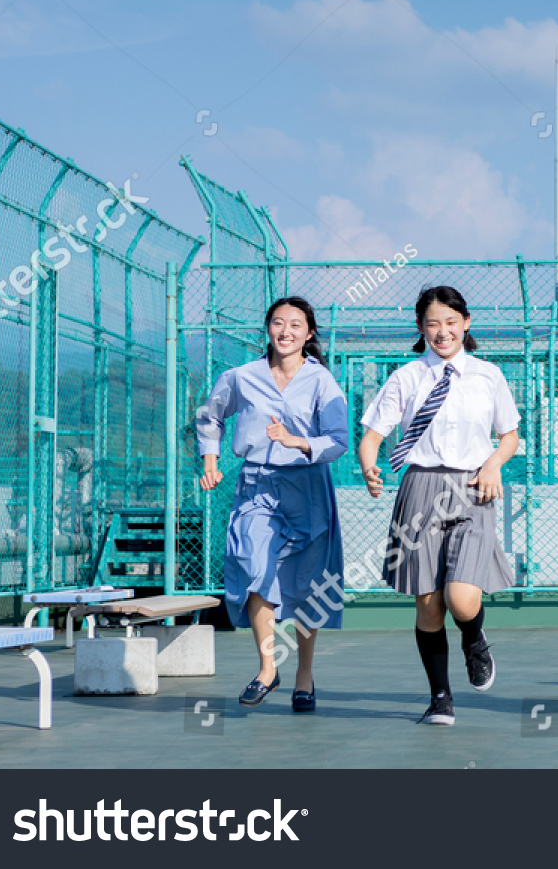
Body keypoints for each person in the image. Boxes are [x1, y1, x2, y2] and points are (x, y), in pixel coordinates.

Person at [356, 285, 520, 726]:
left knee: (461, 598)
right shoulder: (406, 378)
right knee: (428, 603)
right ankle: (440, 698)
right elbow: (371, 435)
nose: (442, 332)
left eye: (451, 322)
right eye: (433, 324)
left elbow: (509, 436)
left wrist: (494, 465)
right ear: (420, 329)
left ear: (466, 324)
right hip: (420, 488)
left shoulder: (488, 375)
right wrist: (370, 466)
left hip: (472, 487)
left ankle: (474, 638)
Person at [196, 296, 348, 713]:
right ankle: (267, 669)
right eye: (278, 323)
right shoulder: (241, 377)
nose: (286, 332)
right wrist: (211, 461)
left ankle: (304, 675)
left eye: (296, 325)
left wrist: (299, 441)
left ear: (309, 333)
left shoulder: (322, 382)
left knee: (305, 584)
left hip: (307, 488)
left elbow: (338, 440)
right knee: (254, 569)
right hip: (256, 485)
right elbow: (210, 416)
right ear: (267, 329)